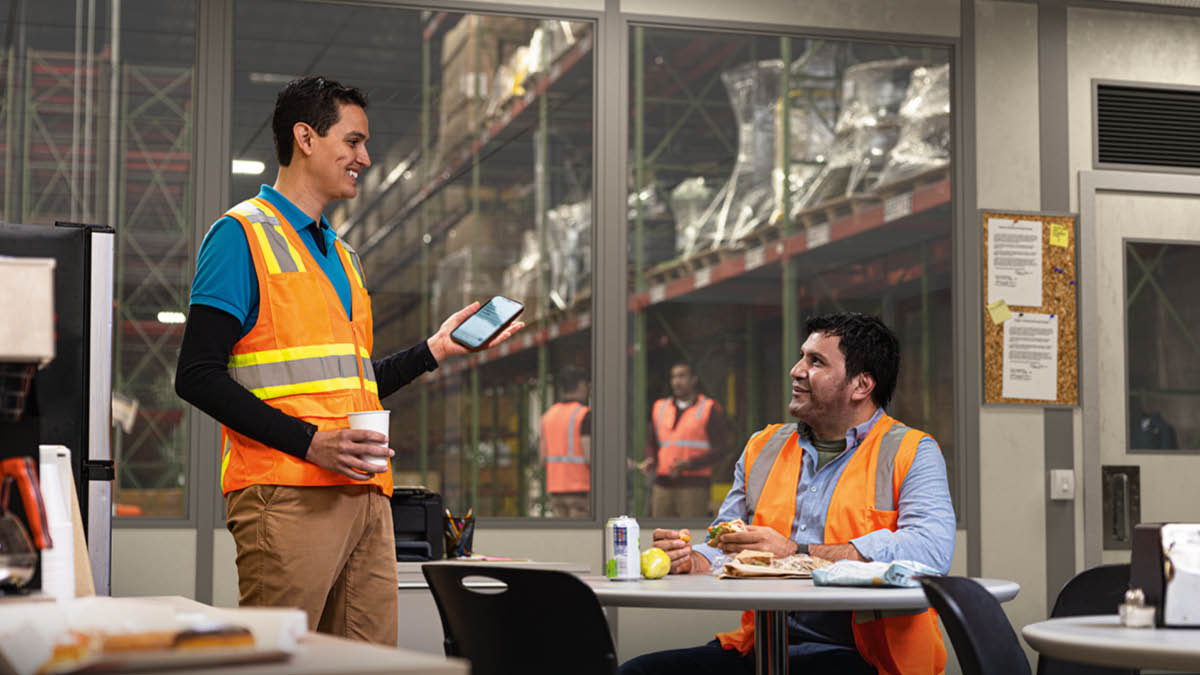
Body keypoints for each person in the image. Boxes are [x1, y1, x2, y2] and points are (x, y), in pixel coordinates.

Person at [174, 76, 522, 645]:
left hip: (365, 495)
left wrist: (434, 350)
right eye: (353, 141)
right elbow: (196, 377)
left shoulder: (343, 255)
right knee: (279, 660)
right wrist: (311, 442)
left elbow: (355, 382)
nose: (365, 157)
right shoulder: (240, 236)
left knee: (369, 659)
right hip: (287, 494)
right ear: (305, 137)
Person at [623, 313, 955, 675]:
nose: (796, 370)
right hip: (764, 644)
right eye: (802, 357)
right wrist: (691, 559)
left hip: (868, 659)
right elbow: (729, 543)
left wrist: (795, 553)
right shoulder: (761, 448)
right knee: (636, 672)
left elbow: (931, 551)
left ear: (861, 386)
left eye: (816, 361)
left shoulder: (911, 452)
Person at [640, 362, 733, 517]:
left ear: (693, 379)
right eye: (673, 377)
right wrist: (650, 458)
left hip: (693, 486)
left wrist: (690, 464)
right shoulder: (660, 407)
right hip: (662, 484)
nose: (676, 381)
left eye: (682, 376)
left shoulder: (708, 408)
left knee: (691, 535)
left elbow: (721, 448)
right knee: (660, 534)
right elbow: (652, 442)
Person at [539, 366, 591, 518]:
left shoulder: (548, 416)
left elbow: (542, 459)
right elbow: (589, 456)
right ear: (581, 385)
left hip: (555, 491)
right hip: (579, 491)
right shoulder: (583, 415)